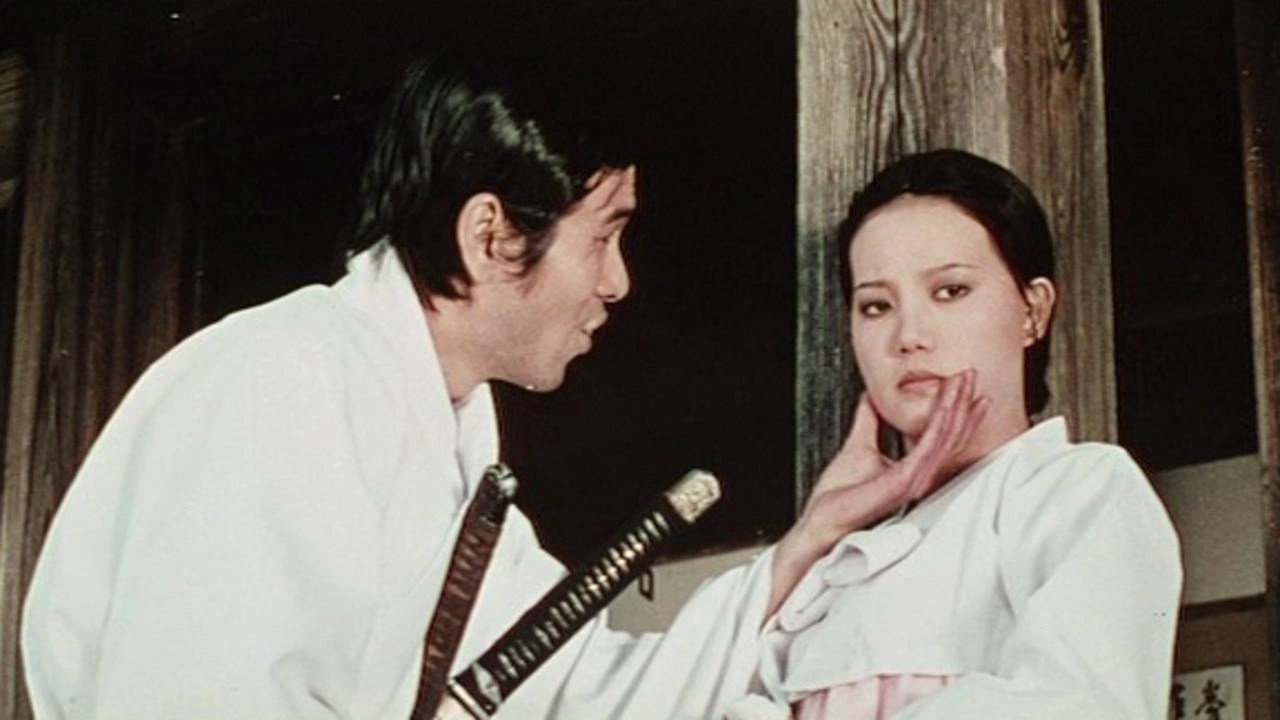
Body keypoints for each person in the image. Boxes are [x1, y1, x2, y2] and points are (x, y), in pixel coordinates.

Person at [19, 53, 953, 720]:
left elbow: (579, 690)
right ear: (491, 236)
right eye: (605, 235)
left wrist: (809, 538)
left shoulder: (448, 445)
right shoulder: (279, 384)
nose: (619, 282)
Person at [728, 150, 1182, 720]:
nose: (909, 335)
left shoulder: (1080, 490)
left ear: (1033, 311)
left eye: (950, 291)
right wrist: (819, 529)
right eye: (876, 305)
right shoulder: (836, 557)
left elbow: (1078, 705)